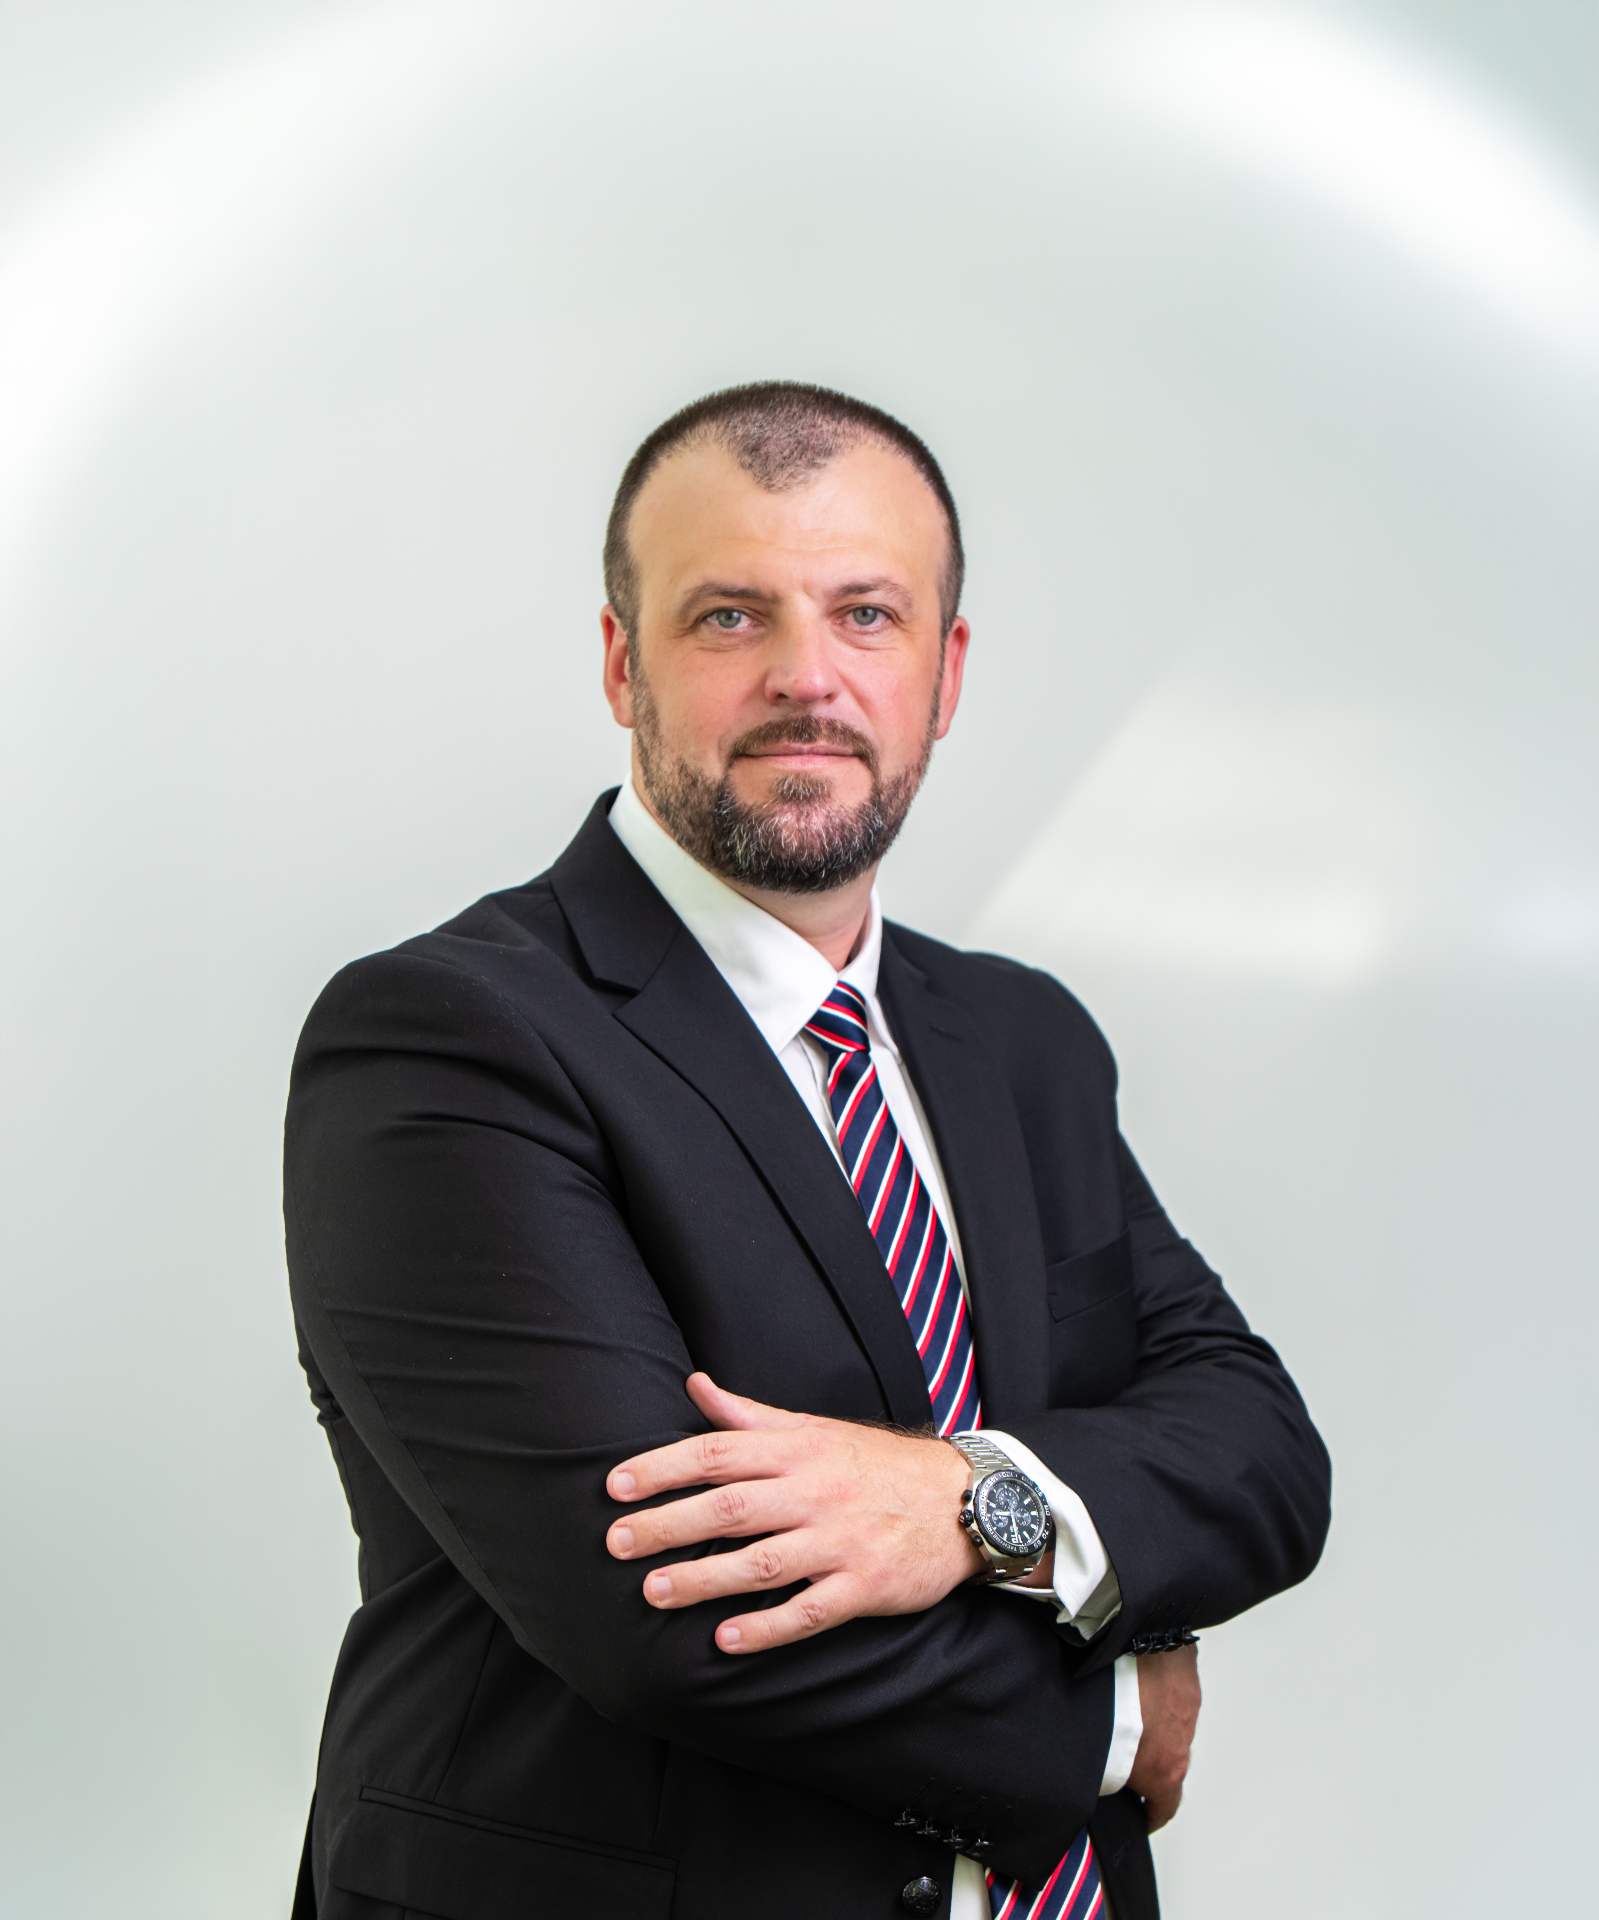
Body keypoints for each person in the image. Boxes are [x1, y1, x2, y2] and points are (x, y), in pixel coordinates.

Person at [282, 379, 1331, 1920]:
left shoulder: (1025, 1040)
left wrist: (967, 1497)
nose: (806, 678)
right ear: (621, 662)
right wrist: (1116, 1716)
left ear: (943, 674)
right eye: (729, 617)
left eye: (866, 616)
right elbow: (668, 1615)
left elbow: (1260, 1455)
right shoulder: (447, 1038)